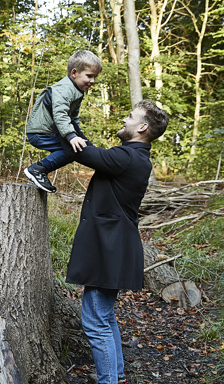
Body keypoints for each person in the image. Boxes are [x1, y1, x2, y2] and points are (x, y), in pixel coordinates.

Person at [65, 100, 169, 384]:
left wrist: (64, 125)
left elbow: (84, 153)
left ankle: (109, 380)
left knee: (95, 320)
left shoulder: (127, 158)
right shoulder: (134, 157)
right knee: (104, 317)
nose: (124, 119)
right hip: (113, 247)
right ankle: (116, 375)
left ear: (143, 127)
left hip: (109, 249)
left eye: (130, 116)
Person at [23, 50, 102, 193]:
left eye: (95, 77)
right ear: (74, 73)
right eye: (89, 76)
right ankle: (38, 169)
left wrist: (80, 136)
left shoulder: (77, 90)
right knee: (73, 150)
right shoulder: (64, 89)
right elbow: (60, 114)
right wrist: (71, 136)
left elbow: (73, 118)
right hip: (41, 133)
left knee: (79, 147)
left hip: (49, 132)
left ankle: (39, 169)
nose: (92, 81)